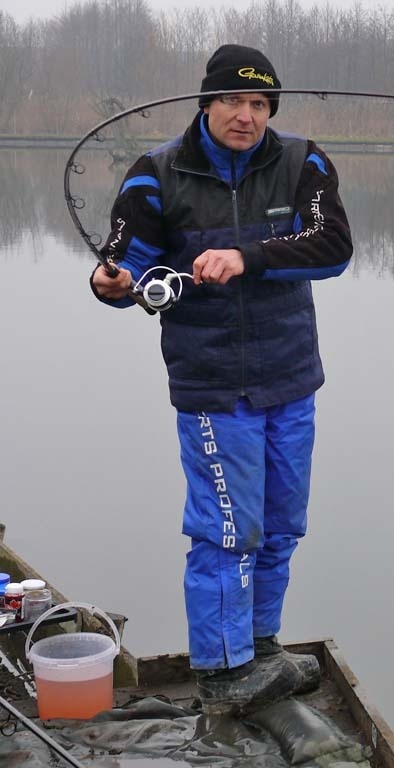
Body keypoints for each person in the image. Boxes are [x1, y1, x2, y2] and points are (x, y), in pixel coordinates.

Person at [89, 44, 353, 715]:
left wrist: (247, 256)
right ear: (206, 104)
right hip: (212, 384)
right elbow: (127, 272)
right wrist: (111, 283)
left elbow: (332, 248)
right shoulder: (154, 176)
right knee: (227, 530)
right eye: (233, 101)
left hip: (290, 377)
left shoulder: (302, 163)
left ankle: (260, 648)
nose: (247, 116)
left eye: (260, 104)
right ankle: (219, 670)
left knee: (283, 524)